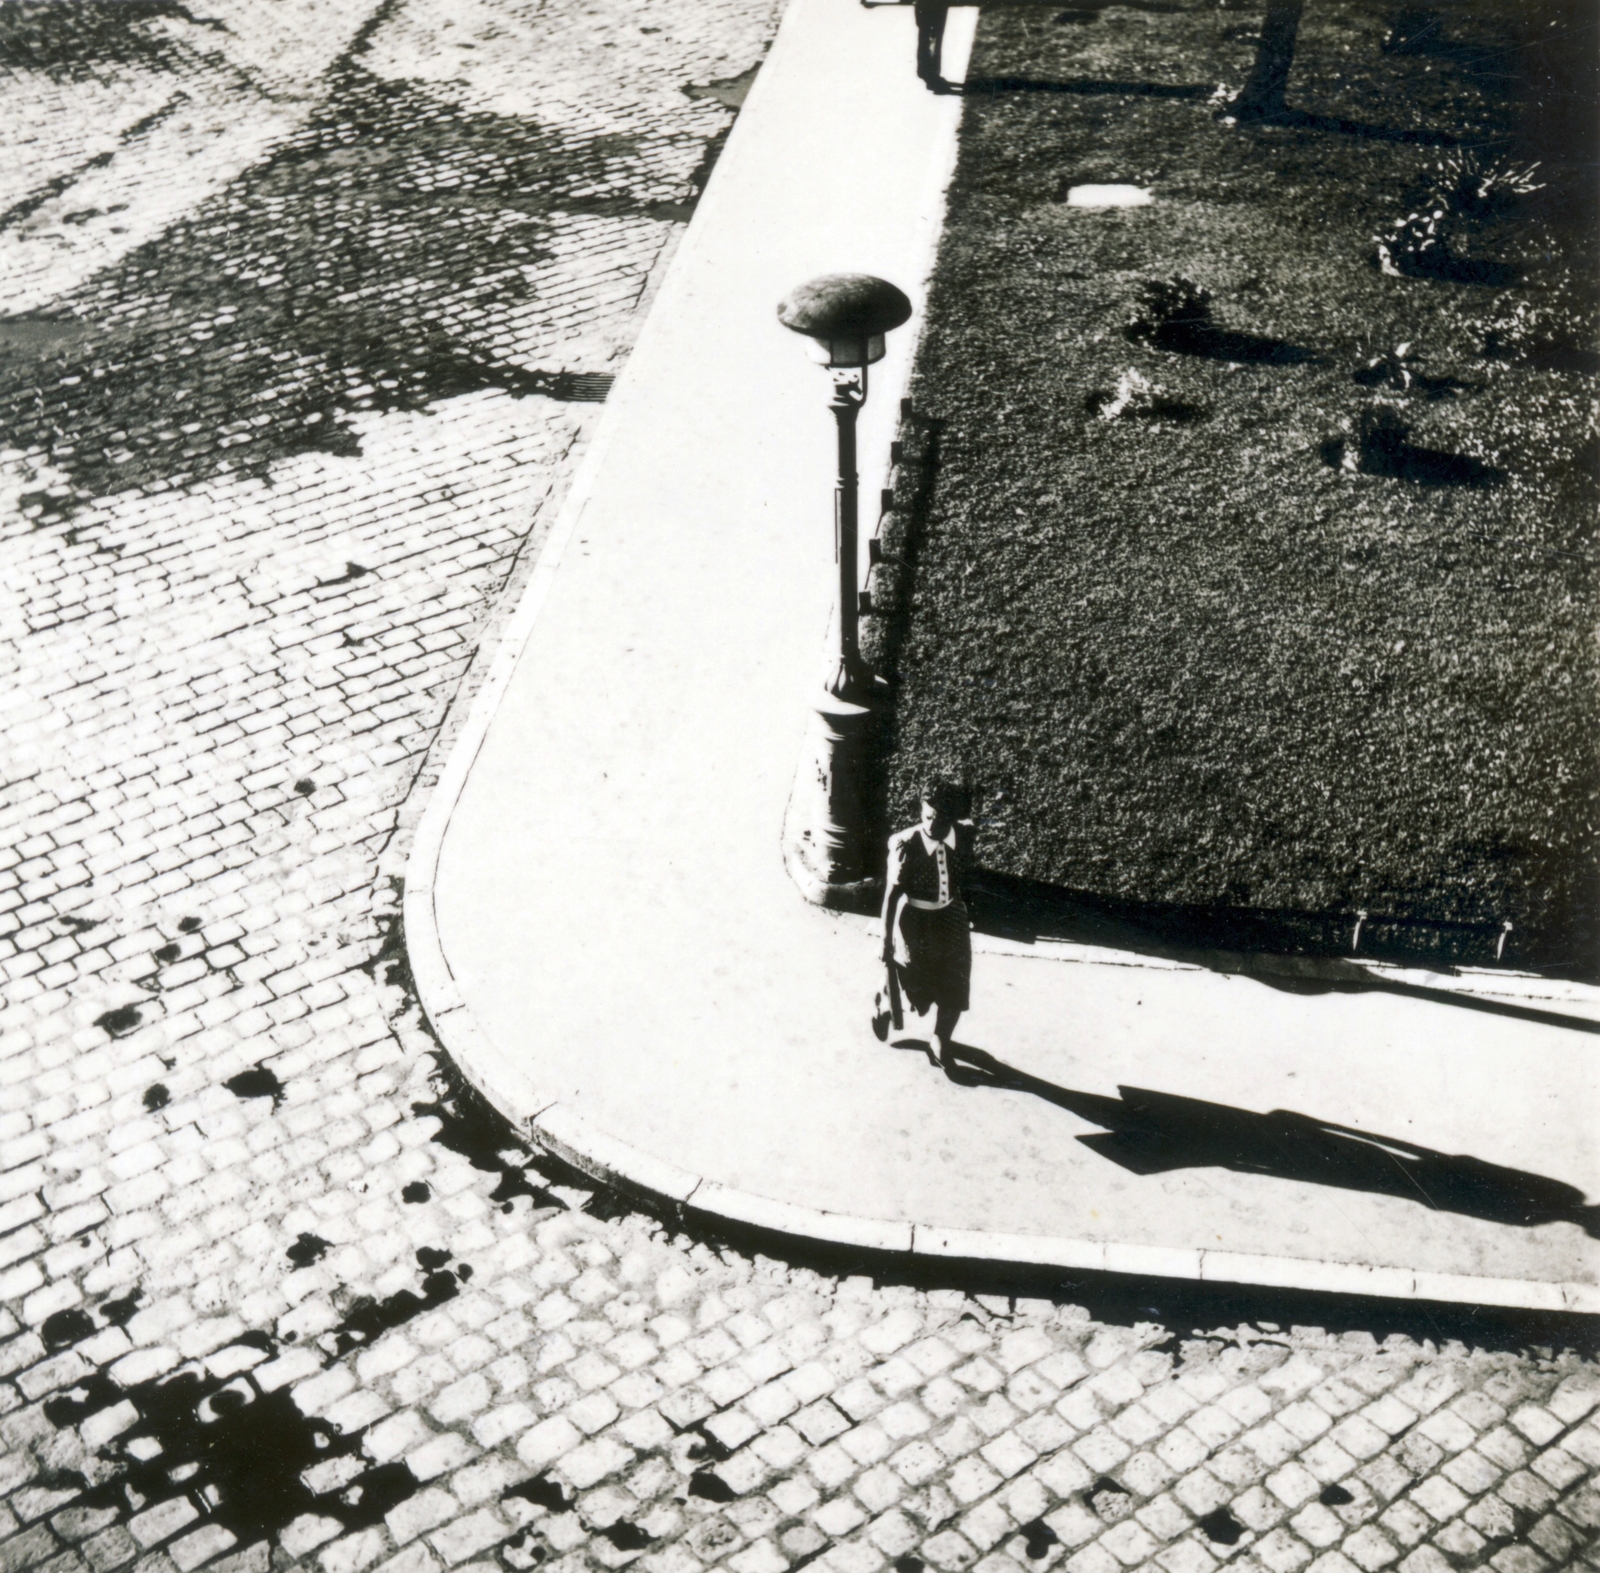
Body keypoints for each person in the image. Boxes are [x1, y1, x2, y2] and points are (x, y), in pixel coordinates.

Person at [880, 781, 973, 1067]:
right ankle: (886, 998)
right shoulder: (906, 845)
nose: (931, 824)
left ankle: (940, 1041)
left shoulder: (965, 835)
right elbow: (892, 896)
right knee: (917, 989)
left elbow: (968, 872)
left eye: (940, 818)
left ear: (952, 818)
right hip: (916, 925)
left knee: (955, 985)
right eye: (927, 815)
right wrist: (885, 942)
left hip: (952, 919)